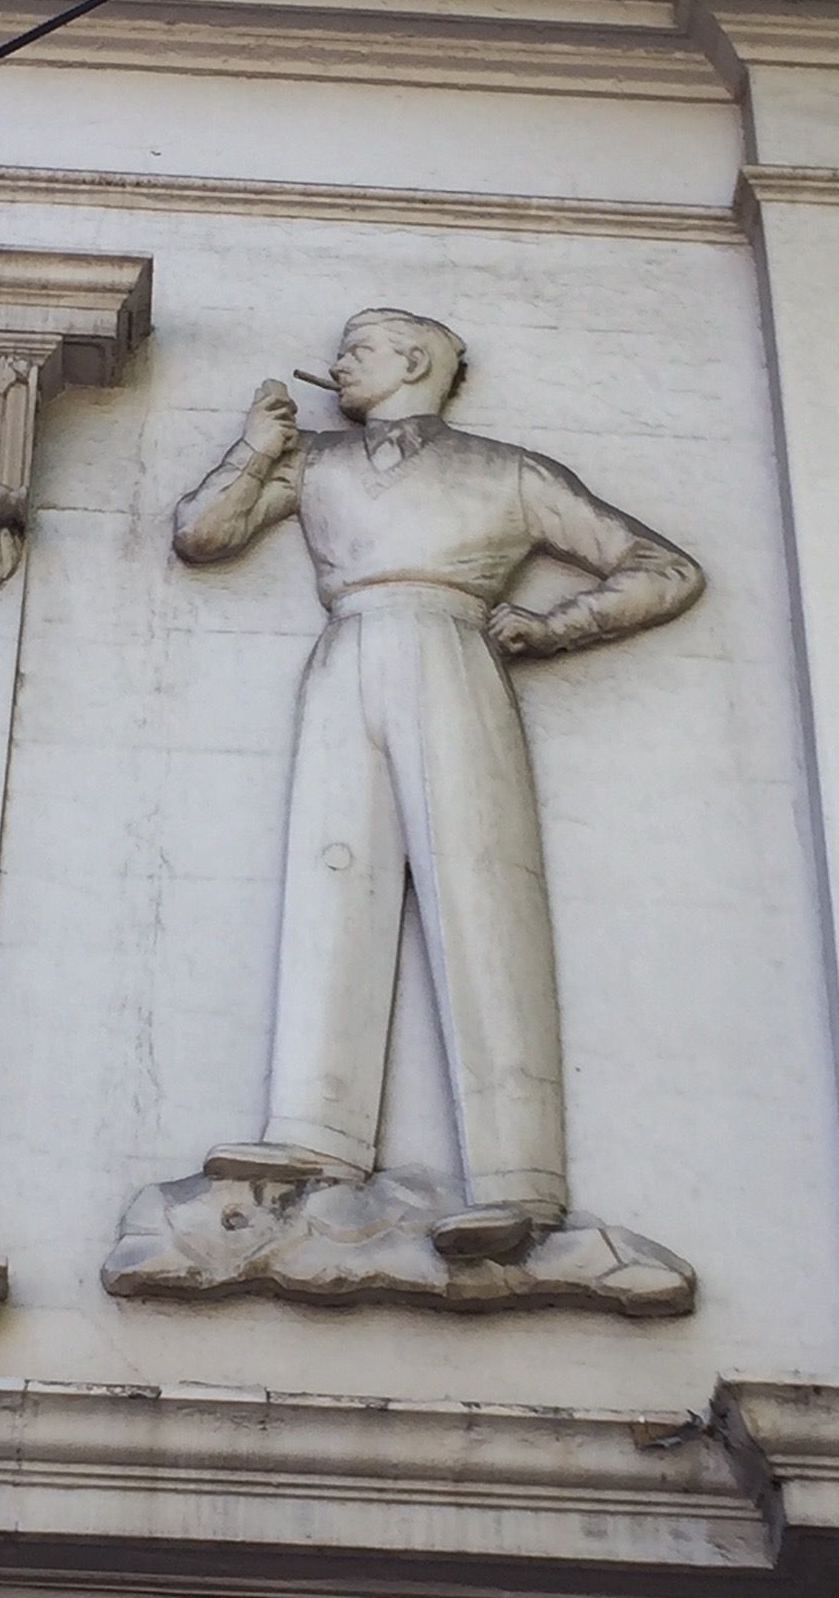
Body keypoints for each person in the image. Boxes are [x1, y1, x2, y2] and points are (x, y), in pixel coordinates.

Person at [173, 308, 704, 1258]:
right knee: (331, 881)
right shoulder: (314, 460)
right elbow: (204, 537)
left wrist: (559, 625)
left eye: (360, 349)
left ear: (414, 360)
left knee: (481, 894)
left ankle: (517, 1179)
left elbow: (663, 568)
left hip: (453, 649)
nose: (337, 364)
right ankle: (312, 1133)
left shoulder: (506, 469)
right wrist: (252, 455)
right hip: (346, 655)